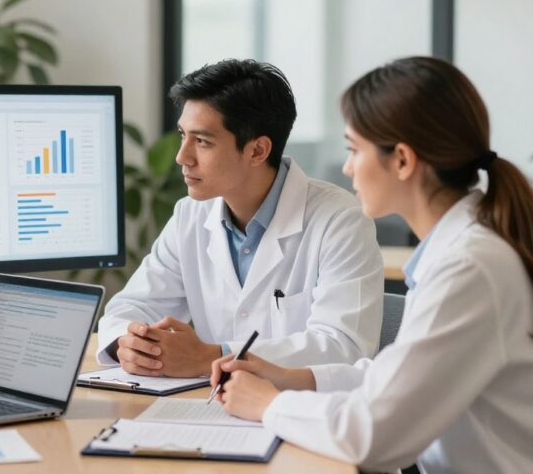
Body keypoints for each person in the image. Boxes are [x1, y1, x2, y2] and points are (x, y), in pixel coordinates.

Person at [211, 56, 533, 473]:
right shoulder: (468, 249)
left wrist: (269, 404)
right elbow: (400, 384)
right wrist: (291, 377)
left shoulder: (471, 268)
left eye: (354, 149)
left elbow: (374, 437)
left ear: (403, 160)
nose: (347, 167)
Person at [97, 59, 384, 377]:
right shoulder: (189, 216)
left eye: (202, 141)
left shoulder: (340, 221)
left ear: (258, 151)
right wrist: (131, 342)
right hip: (209, 407)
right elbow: (130, 308)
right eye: (183, 135)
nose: (182, 157)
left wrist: (213, 356)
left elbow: (344, 346)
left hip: (294, 411)